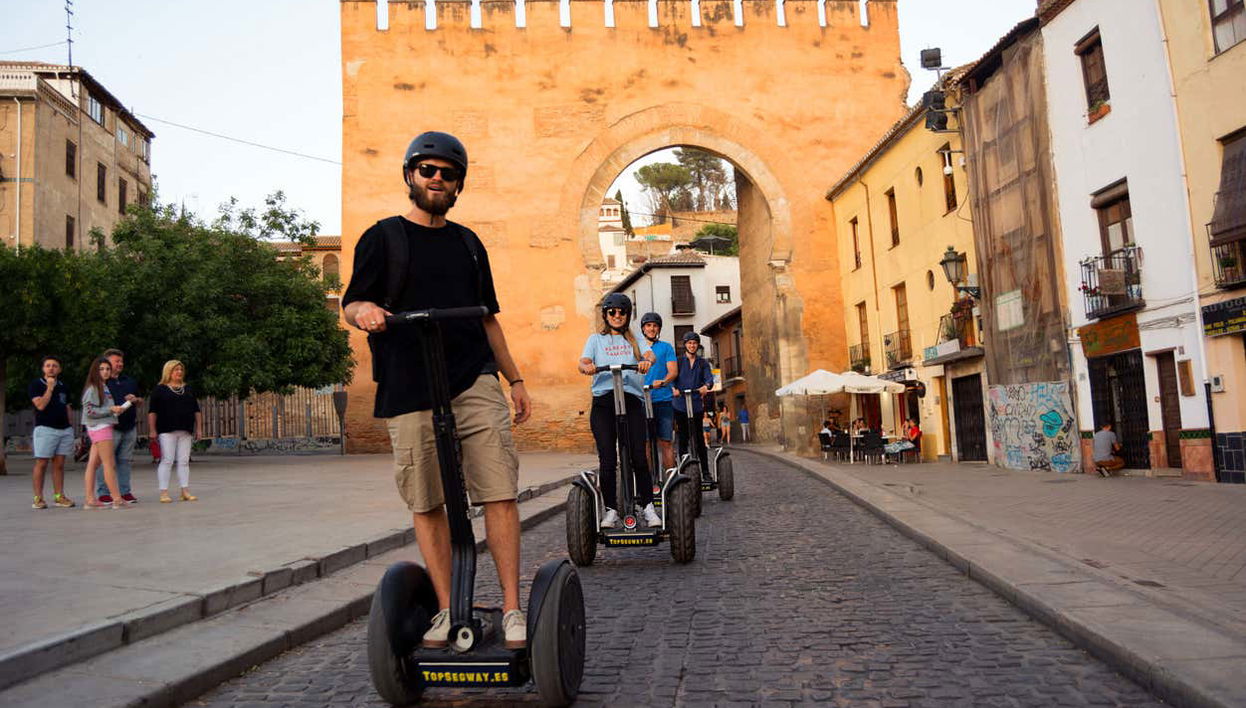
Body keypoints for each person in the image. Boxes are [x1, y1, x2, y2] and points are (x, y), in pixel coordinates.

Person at [341, 131, 531, 651]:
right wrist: (368, 315)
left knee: (499, 491)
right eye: (428, 170)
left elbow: (489, 319)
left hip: (473, 379)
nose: (437, 179)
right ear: (410, 176)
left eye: (447, 173)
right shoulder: (383, 238)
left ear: (458, 184)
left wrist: (513, 379)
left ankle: (513, 607)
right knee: (425, 501)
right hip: (408, 385)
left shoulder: (469, 244)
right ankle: (447, 608)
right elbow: (352, 301)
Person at [579, 293, 659, 528]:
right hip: (604, 402)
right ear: (606, 315)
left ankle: (648, 507)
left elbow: (649, 354)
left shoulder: (635, 341)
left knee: (638, 456)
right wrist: (587, 367)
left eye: (621, 312)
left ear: (627, 315)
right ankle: (611, 510)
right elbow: (582, 361)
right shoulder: (595, 340)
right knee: (607, 458)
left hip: (631, 400)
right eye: (612, 312)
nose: (617, 316)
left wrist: (647, 361)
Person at [147, 360, 203, 503]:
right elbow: (152, 411)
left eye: (180, 370)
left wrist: (199, 428)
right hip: (167, 429)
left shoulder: (188, 388)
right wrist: (152, 429)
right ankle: (164, 492)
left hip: (186, 429)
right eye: (175, 370)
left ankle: (185, 491)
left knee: (184, 461)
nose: (179, 372)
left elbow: (196, 410)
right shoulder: (159, 389)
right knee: (167, 460)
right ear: (168, 372)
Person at [81, 357, 129, 509]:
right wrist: (110, 410)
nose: (105, 372)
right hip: (100, 428)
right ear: (95, 371)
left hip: (101, 426)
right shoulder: (94, 388)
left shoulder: (103, 387)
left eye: (108, 369)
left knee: (93, 464)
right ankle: (117, 499)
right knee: (109, 464)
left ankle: (90, 499)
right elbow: (89, 411)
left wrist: (115, 410)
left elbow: (100, 410)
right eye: (101, 369)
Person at [28, 356, 76, 509]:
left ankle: (59, 496)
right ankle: (38, 498)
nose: (51, 368)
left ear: (59, 369)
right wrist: (49, 388)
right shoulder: (36, 384)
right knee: (41, 463)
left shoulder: (64, 386)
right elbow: (40, 406)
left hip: (64, 430)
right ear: (43, 369)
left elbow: (67, 407)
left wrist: (70, 426)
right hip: (45, 429)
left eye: (55, 365)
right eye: (48, 365)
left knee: (59, 464)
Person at [96, 349, 142, 504]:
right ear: (106, 362)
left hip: (129, 427)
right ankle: (103, 493)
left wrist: (135, 399)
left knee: (125, 460)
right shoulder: (101, 383)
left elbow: (140, 401)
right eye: (116, 361)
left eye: (121, 361)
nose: (120, 364)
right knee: (106, 461)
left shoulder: (129, 381)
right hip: (110, 427)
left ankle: (125, 492)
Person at [639, 312, 678, 475]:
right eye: (648, 325)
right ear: (643, 328)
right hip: (641, 402)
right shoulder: (637, 349)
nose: (652, 329)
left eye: (655, 326)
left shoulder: (666, 347)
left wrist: (662, 382)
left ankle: (671, 481)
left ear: (659, 329)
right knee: (645, 444)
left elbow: (673, 371)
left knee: (666, 442)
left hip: (663, 400)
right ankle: (649, 484)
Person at [672, 331, 714, 476]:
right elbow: (671, 376)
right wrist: (673, 388)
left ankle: (706, 471)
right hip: (680, 405)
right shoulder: (678, 361)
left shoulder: (703, 363)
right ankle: (683, 471)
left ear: (697, 345)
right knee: (682, 438)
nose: (692, 345)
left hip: (696, 405)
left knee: (699, 440)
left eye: (694, 343)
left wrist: (706, 386)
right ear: (685, 345)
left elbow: (709, 379)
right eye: (689, 343)